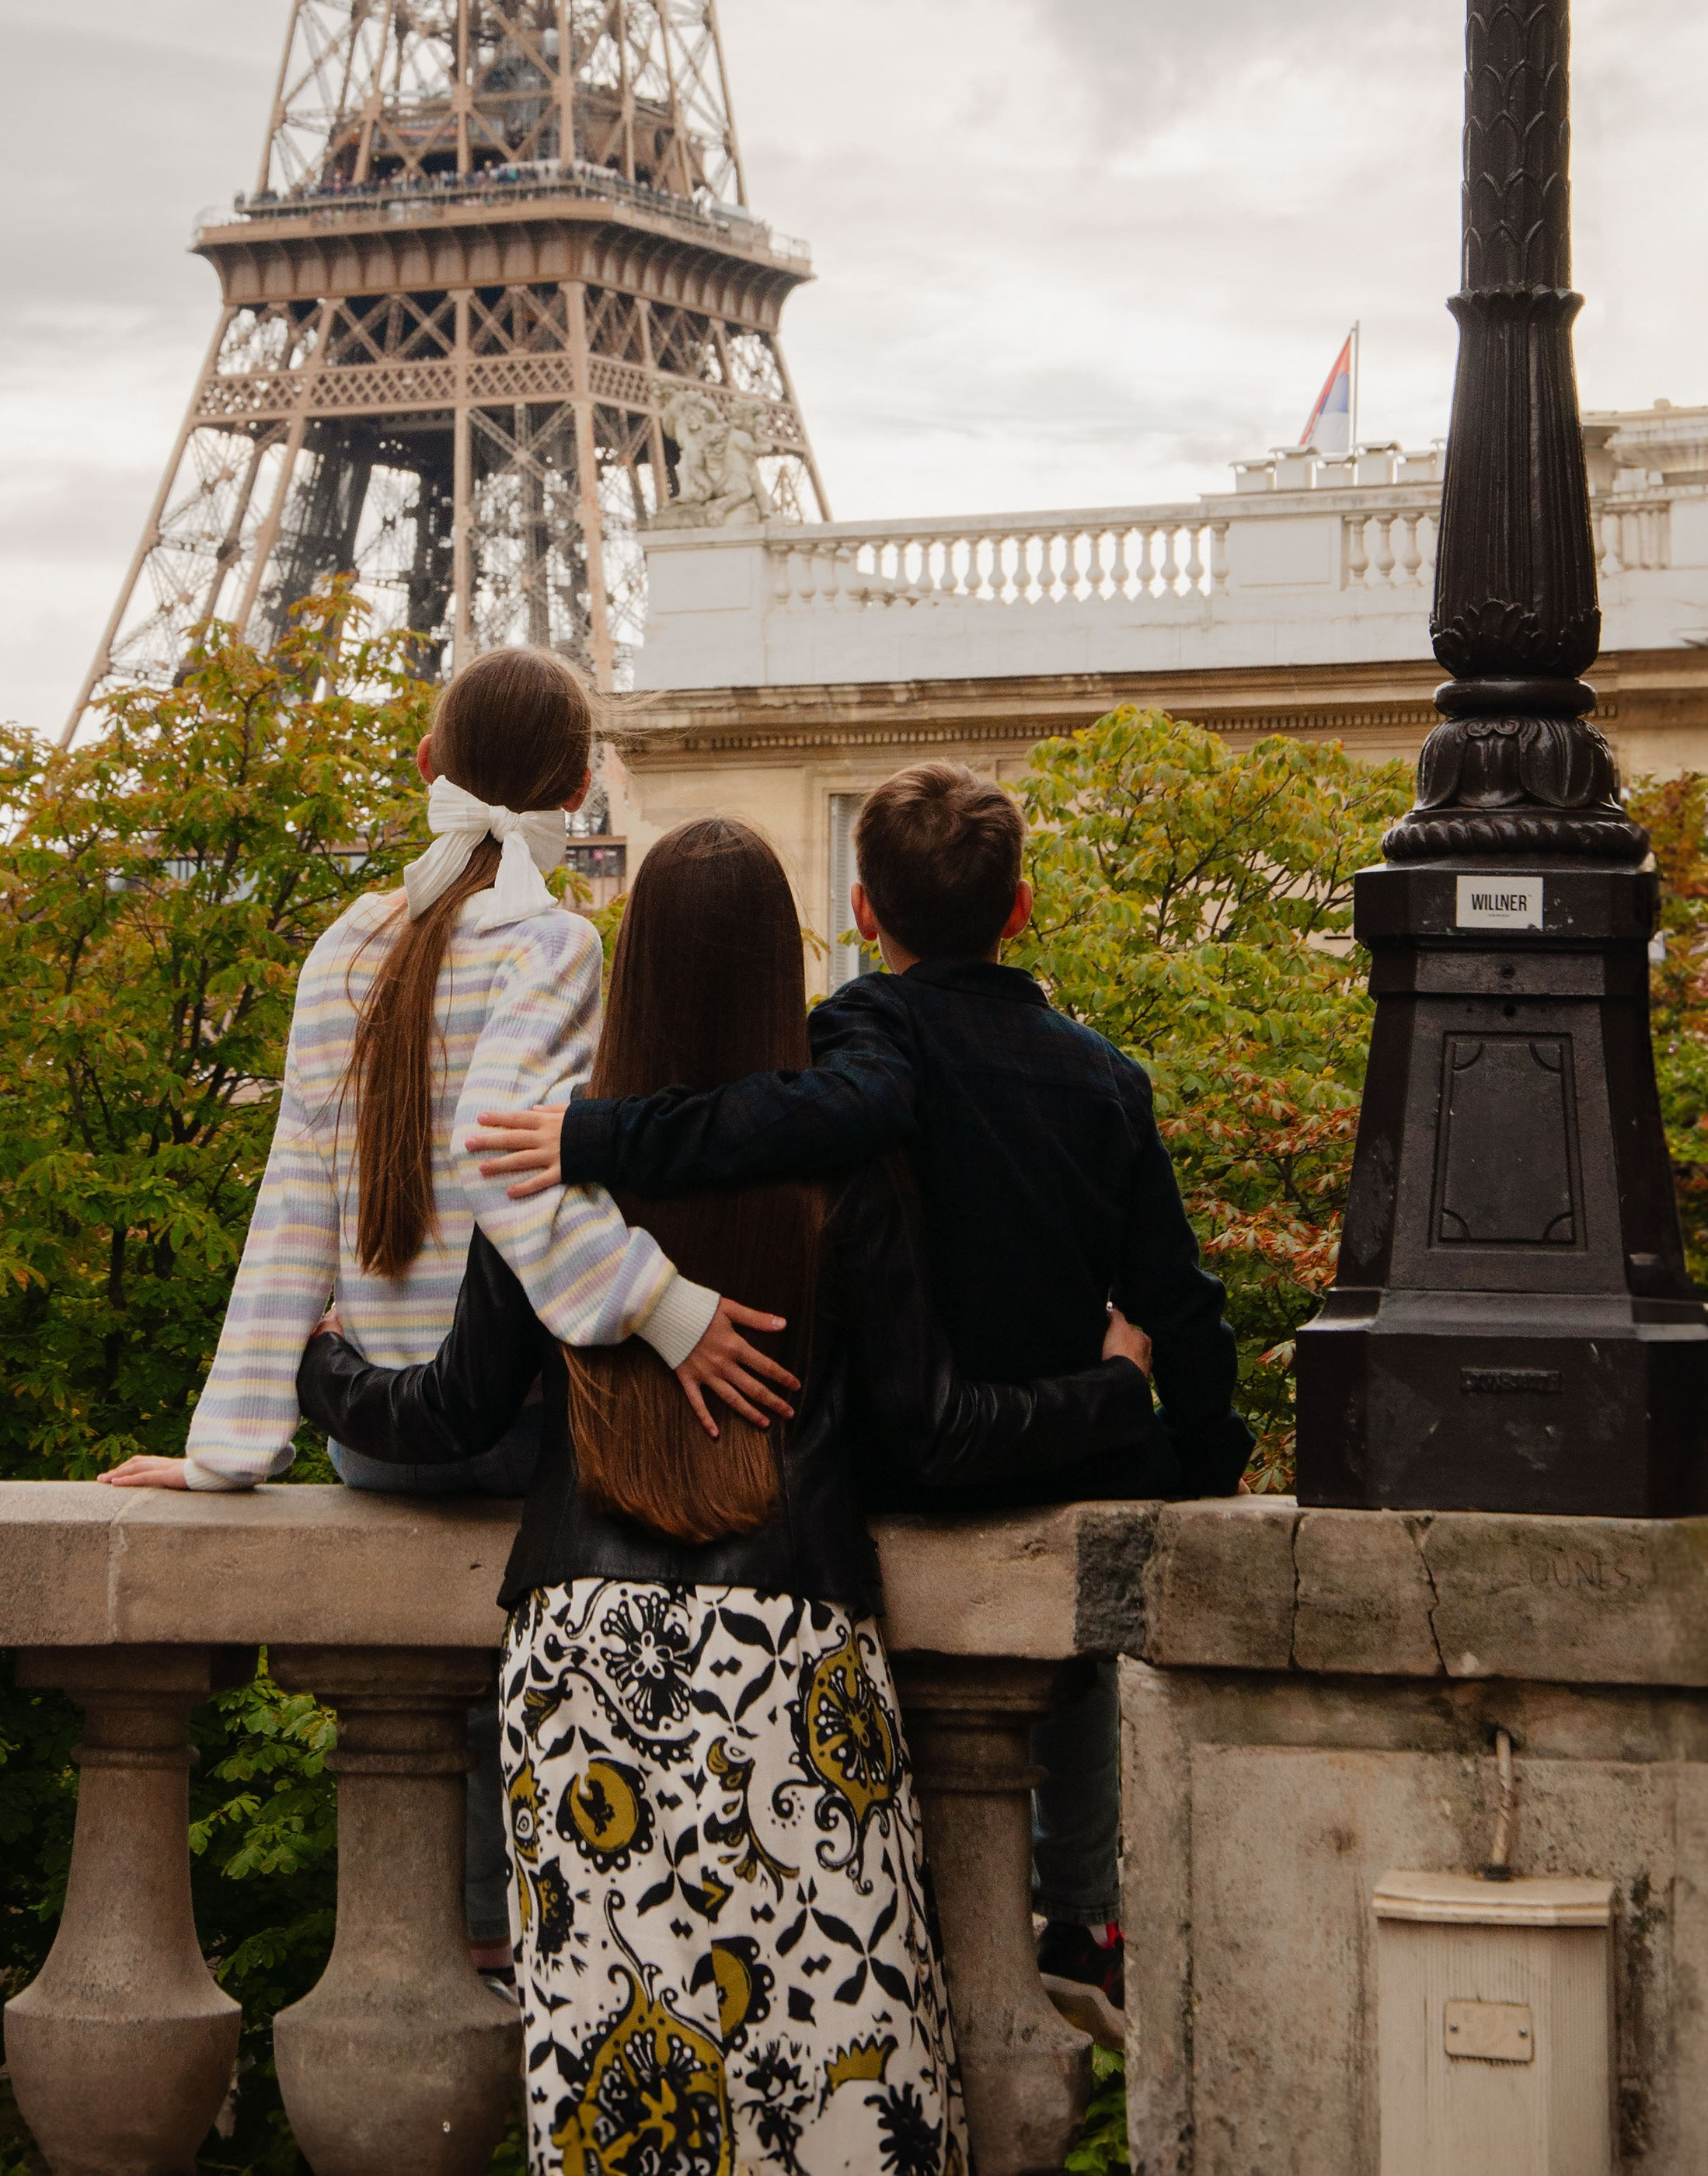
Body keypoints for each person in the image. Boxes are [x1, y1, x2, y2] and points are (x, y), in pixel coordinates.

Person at [298, 816, 1160, 2176]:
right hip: (789, 1656)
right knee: (841, 2081)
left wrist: (323, 1360)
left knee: (621, 2092)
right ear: (787, 966)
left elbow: (451, 1407)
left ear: (628, 967)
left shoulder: (557, 1165)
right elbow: (937, 1429)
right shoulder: (840, 1166)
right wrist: (1115, 1387)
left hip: (580, 1660)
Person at [469, 758, 1253, 2005]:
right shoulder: (1108, 1077)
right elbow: (1181, 1301)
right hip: (1042, 1450)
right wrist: (1200, 1455)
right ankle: (1084, 1908)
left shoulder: (866, 1043)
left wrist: (590, 1133)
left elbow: (755, 1124)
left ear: (865, 910)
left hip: (883, 1472)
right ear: (1023, 908)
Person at [97, 645, 799, 1969]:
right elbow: (514, 1161)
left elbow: (293, 1196)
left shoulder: (344, 945)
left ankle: (476, 1934)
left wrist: (227, 1445)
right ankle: (541, 1929)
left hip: (379, 1438)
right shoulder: (552, 943)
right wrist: (665, 1307)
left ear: (427, 772)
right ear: (583, 787)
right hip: (513, 1428)